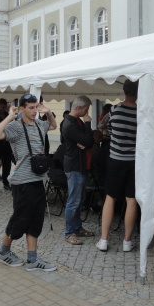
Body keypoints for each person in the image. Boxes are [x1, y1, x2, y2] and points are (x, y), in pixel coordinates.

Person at [0, 93, 58, 271]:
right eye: (31, 108)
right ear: (22, 109)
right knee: (20, 219)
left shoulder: (39, 124)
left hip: (38, 180)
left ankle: (32, 259)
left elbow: (53, 125)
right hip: (22, 182)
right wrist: (10, 117)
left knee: (36, 220)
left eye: (36, 107)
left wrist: (48, 112)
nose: (34, 111)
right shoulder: (15, 127)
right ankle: (3, 251)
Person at [96, 79, 139, 252]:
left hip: (115, 159)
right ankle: (127, 242)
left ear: (124, 90)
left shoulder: (114, 110)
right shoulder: (141, 112)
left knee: (110, 197)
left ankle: (104, 240)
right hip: (133, 160)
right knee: (131, 200)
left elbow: (106, 127)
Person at [61, 95, 95, 245]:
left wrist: (85, 143)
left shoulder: (76, 121)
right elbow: (88, 140)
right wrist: (88, 124)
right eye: (86, 109)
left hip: (81, 165)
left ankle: (77, 228)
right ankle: (69, 232)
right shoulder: (70, 124)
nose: (87, 112)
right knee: (73, 201)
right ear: (79, 108)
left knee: (79, 200)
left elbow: (89, 141)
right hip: (74, 166)